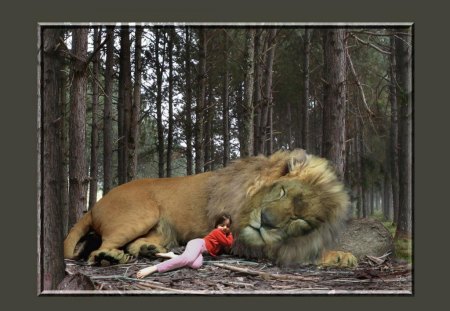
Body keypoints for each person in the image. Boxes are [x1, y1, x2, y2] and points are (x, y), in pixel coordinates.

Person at [136, 213, 234, 279]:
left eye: (228, 226)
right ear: (217, 225)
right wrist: (229, 233)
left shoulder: (222, 234)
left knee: (196, 265)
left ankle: (173, 256)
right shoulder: (217, 232)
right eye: (222, 225)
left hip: (200, 250)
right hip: (197, 243)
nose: (224, 228)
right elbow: (228, 243)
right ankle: (154, 268)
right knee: (187, 258)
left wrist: (228, 232)